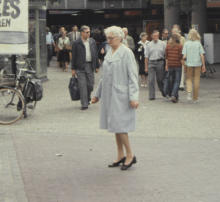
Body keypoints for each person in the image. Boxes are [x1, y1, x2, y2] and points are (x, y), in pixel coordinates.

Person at [91, 26, 140, 170]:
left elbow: (133, 76)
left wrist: (134, 96)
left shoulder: (127, 53)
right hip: (109, 94)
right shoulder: (109, 52)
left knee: (121, 125)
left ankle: (130, 154)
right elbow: (104, 77)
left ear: (120, 38)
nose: (108, 40)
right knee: (114, 125)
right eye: (108, 38)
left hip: (122, 95)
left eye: (111, 38)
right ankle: (120, 154)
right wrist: (97, 94)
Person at [71, 26, 100, 110]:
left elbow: (95, 54)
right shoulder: (77, 43)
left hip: (90, 66)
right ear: (82, 33)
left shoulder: (92, 41)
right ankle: (84, 104)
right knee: (82, 85)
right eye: (87, 32)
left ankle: (87, 97)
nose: (89, 33)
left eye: (89, 32)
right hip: (80, 66)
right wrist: (73, 69)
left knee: (90, 85)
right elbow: (74, 57)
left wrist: (97, 66)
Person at [182, 28, 206, 103]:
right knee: (196, 80)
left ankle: (189, 91)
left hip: (189, 64)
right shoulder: (198, 43)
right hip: (198, 64)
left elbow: (184, 56)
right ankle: (195, 99)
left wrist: (184, 66)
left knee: (189, 79)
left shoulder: (186, 44)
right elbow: (202, 55)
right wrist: (204, 65)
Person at [144, 30, 166, 100]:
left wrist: (166, 65)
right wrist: (146, 67)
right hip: (151, 62)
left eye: (157, 36)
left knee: (160, 79)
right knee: (151, 80)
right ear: (152, 36)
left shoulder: (163, 44)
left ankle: (163, 91)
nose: (156, 37)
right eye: (155, 36)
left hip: (160, 62)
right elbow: (146, 56)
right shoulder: (149, 45)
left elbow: (166, 55)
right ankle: (151, 96)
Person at [165, 33, 184, 103]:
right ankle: (173, 94)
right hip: (178, 65)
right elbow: (180, 57)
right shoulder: (179, 46)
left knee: (173, 80)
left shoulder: (168, 46)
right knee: (177, 81)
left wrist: (166, 66)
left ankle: (176, 96)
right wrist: (184, 65)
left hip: (170, 65)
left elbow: (166, 57)